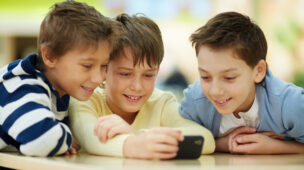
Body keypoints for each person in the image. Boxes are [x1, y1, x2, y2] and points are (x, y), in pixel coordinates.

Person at [69, 13, 215, 160]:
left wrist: (139, 135)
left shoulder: (161, 103)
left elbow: (204, 138)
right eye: (125, 74)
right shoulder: (86, 99)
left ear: (157, 71)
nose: (137, 87)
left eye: (147, 75)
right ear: (104, 69)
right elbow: (90, 139)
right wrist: (136, 144)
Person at [0, 0, 120, 156]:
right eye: (86, 66)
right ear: (49, 56)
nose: (98, 78)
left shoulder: (59, 88)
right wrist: (71, 138)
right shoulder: (22, 87)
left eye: (104, 66)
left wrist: (59, 138)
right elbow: (42, 141)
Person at [179, 11, 304, 154]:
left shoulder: (291, 105)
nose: (215, 91)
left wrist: (274, 147)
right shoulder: (195, 102)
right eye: (205, 77)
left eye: (229, 77)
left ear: (258, 71)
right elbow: (181, 142)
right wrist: (221, 144)